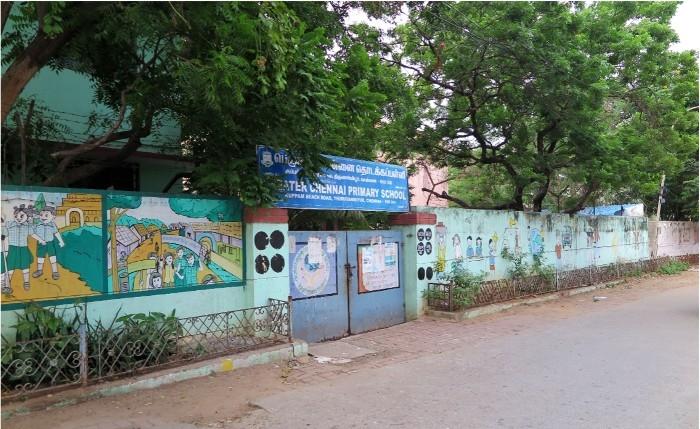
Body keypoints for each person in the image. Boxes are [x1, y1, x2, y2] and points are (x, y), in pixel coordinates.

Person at [31, 205, 65, 280]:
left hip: (50, 243)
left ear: (53, 216)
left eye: (46, 215)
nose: (43, 217)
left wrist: (61, 241)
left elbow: (56, 233)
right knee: (40, 257)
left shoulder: (52, 225)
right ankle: (39, 271)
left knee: (52, 256)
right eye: (41, 215)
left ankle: (55, 272)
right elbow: (32, 233)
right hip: (41, 244)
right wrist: (40, 240)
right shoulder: (37, 224)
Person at [6, 205, 35, 291]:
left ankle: (26, 282)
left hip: (23, 249)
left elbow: (33, 234)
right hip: (12, 249)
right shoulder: (10, 224)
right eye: (16, 216)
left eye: (22, 216)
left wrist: (41, 240)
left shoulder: (28, 227)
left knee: (25, 267)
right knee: (10, 267)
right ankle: (7, 285)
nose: (18, 218)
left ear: (27, 217)